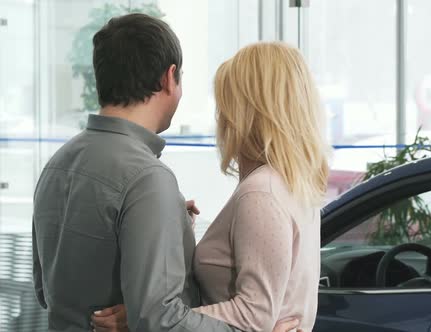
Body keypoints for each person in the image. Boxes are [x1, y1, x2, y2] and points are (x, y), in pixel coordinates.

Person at [32, 13, 300, 332]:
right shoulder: (146, 178)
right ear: (168, 78)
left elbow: (43, 290)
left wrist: (168, 223)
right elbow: (160, 320)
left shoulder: (56, 164)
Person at [190, 42, 330, 332]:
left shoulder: (262, 192)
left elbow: (253, 316)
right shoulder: (292, 184)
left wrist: (157, 320)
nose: (221, 119)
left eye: (226, 105)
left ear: (249, 112)